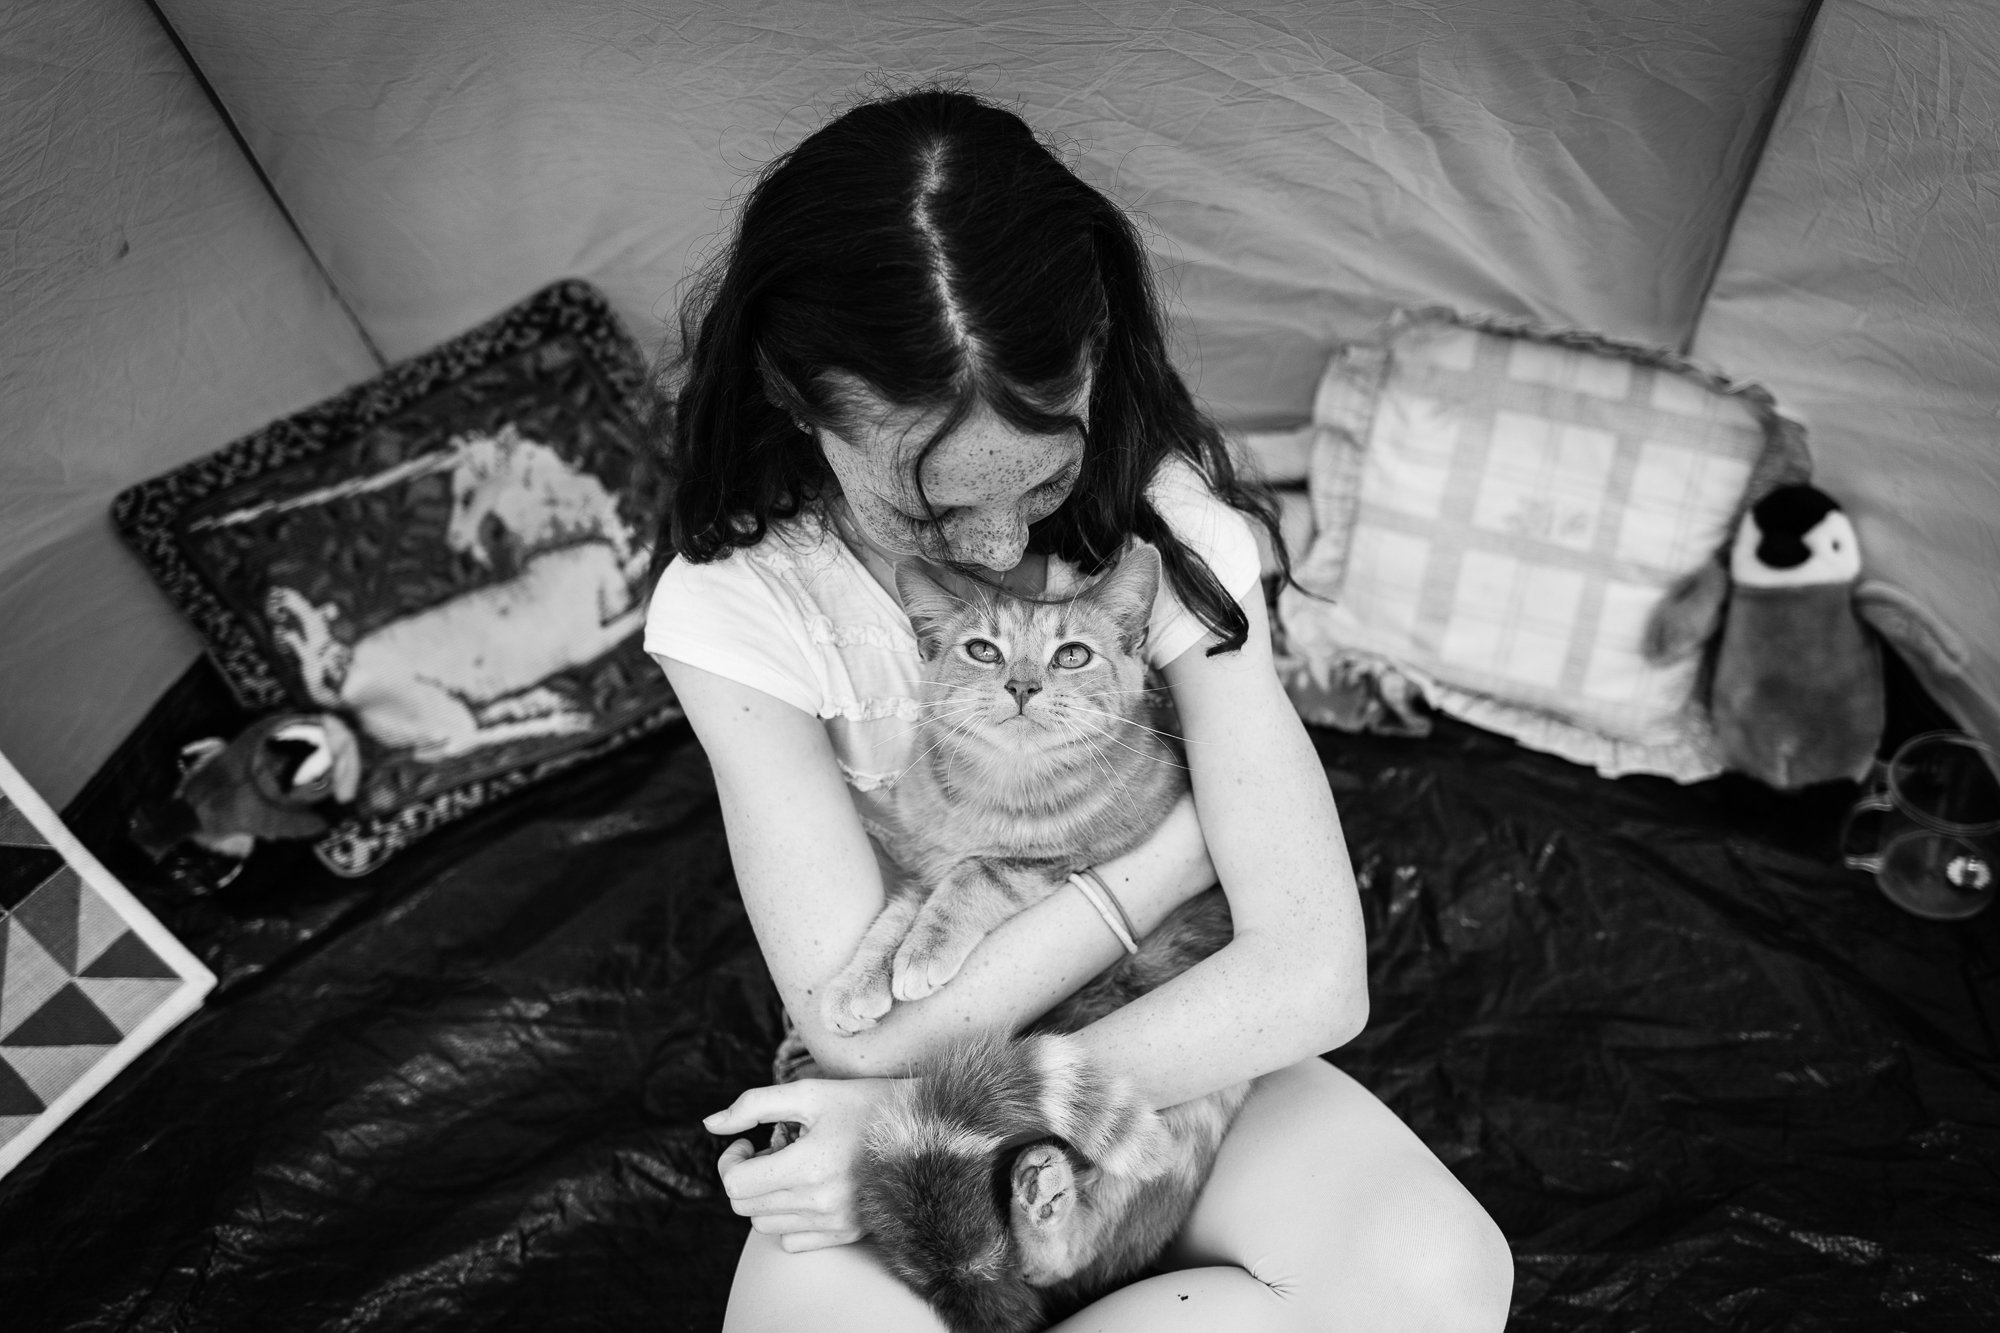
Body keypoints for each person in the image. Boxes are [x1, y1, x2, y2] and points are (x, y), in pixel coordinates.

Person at [644, 87, 1514, 1332]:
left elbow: (1315, 979)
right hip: (927, 1060)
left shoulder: (1162, 526)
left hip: (1151, 1036)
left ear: (1094, 367)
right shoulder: (738, 607)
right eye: (931, 508)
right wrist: (1177, 852)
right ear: (795, 398)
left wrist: (940, 1119)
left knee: (1435, 1273)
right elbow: (866, 1042)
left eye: (1041, 479)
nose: (1000, 546)